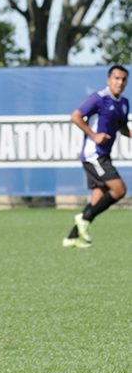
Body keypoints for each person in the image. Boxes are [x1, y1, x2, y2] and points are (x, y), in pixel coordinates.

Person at [62, 65, 130, 248]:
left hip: (104, 155)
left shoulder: (124, 103)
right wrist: (93, 135)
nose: (120, 82)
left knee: (97, 198)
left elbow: (122, 126)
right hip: (94, 155)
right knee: (119, 190)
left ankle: (72, 237)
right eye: (116, 78)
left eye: (124, 79)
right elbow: (75, 116)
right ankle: (85, 218)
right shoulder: (98, 98)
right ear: (109, 80)